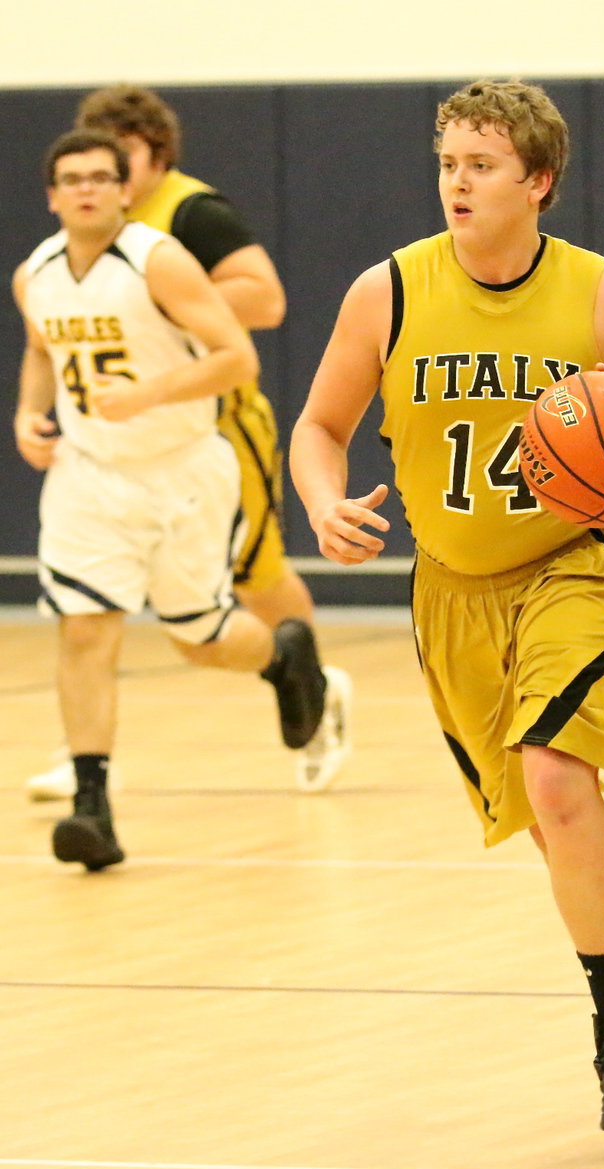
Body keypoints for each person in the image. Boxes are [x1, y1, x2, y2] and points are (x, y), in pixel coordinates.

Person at [289, 79, 604, 1131]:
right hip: (453, 591)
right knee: (546, 819)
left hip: (579, 564)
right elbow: (317, 426)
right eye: (447, 163)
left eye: (480, 165)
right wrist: (322, 503)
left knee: (557, 776)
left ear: (538, 181)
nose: (457, 183)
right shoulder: (384, 292)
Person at [12, 129, 334, 871]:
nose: (87, 188)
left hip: (182, 468)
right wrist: (29, 415)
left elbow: (237, 357)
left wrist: (148, 394)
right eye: (72, 178)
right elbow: (40, 350)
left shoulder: (157, 259)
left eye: (101, 176)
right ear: (53, 195)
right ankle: (91, 807)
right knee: (84, 630)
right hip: (89, 475)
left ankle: (283, 653)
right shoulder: (36, 273)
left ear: (125, 190)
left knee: (201, 640)